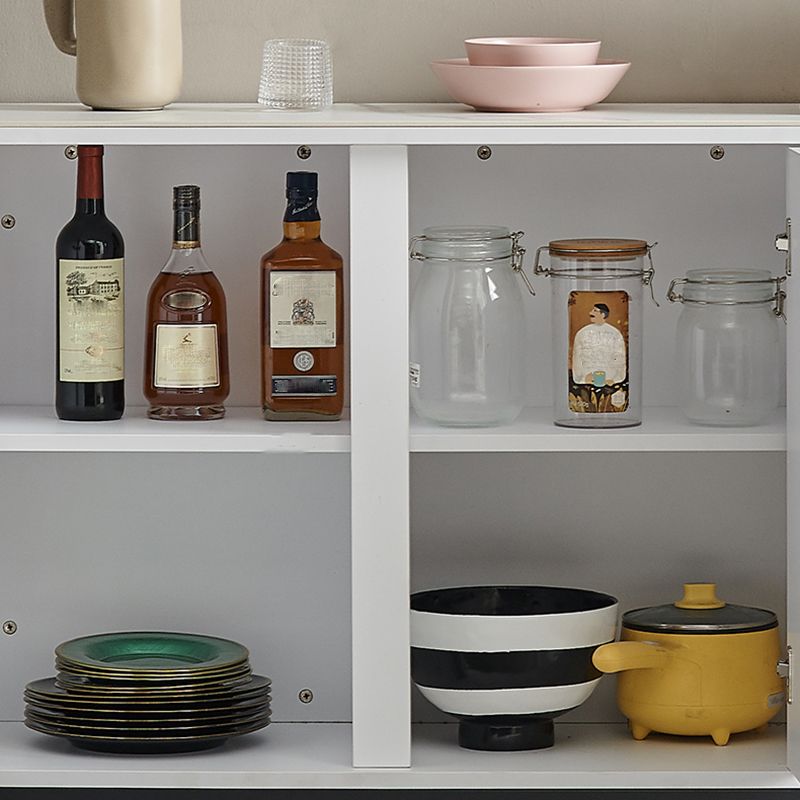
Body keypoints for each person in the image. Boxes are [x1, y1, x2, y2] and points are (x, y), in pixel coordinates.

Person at [571, 303, 626, 386]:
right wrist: (583, 377)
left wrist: (614, 379)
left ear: (603, 315)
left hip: (610, 379)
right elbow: (577, 357)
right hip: (587, 379)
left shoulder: (615, 333)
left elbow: (619, 358)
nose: (590, 313)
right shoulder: (582, 333)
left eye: (595, 311)